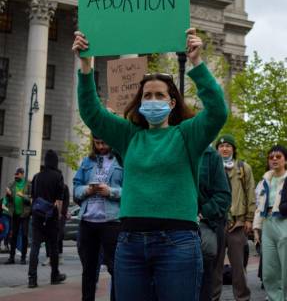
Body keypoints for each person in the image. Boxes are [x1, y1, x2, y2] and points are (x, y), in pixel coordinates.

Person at [72, 27, 228, 301]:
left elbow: (217, 112)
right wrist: (86, 67)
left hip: (178, 244)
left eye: (159, 95)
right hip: (131, 244)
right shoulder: (129, 136)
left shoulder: (187, 135)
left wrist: (197, 63)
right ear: (139, 102)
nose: (153, 100)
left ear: (171, 103)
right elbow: (92, 113)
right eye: (147, 95)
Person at [73, 135, 123, 301]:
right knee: (88, 269)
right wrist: (87, 190)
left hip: (111, 222)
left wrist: (111, 192)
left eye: (104, 142)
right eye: (97, 143)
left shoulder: (121, 160)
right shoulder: (87, 161)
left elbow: (131, 189)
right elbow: (76, 188)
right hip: (87, 222)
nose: (101, 146)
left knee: (115, 268)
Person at [212, 134, 255, 301]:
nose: (224, 149)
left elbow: (250, 194)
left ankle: (243, 297)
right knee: (215, 267)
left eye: (228, 146)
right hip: (216, 223)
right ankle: (213, 297)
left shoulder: (244, 168)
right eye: (221, 146)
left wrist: (249, 218)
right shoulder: (211, 167)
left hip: (237, 223)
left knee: (238, 267)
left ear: (233, 149)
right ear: (217, 150)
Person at [28, 149, 66, 288]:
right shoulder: (58, 176)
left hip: (37, 216)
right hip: (51, 217)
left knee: (35, 247)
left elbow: (33, 198)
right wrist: (59, 215)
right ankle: (54, 275)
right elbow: (59, 201)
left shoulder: (37, 176)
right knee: (53, 246)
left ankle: (32, 279)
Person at [253, 145, 287, 301]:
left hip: (284, 222)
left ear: (285, 160)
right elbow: (259, 206)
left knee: (285, 266)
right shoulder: (265, 180)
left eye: (278, 156)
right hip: (267, 223)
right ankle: (275, 298)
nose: (274, 159)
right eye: (271, 157)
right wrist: (256, 228)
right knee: (269, 269)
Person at [198, 146, 231, 301]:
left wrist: (203, 212)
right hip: (170, 229)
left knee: (208, 277)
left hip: (207, 226)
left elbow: (224, 197)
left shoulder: (211, 156)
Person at [5, 167, 31, 265]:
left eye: (17, 175)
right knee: (13, 236)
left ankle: (23, 258)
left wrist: (22, 196)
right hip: (15, 213)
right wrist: (8, 194)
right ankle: (11, 257)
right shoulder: (12, 184)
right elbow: (9, 199)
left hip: (25, 214)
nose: (15, 176)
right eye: (15, 175)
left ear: (22, 174)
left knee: (24, 235)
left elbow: (31, 199)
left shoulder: (28, 184)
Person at [42, 183, 70, 266]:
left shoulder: (64, 187)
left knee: (59, 234)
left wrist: (62, 213)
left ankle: (59, 255)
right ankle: (49, 257)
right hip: (50, 213)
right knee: (48, 235)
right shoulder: (50, 186)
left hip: (60, 215)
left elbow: (66, 201)